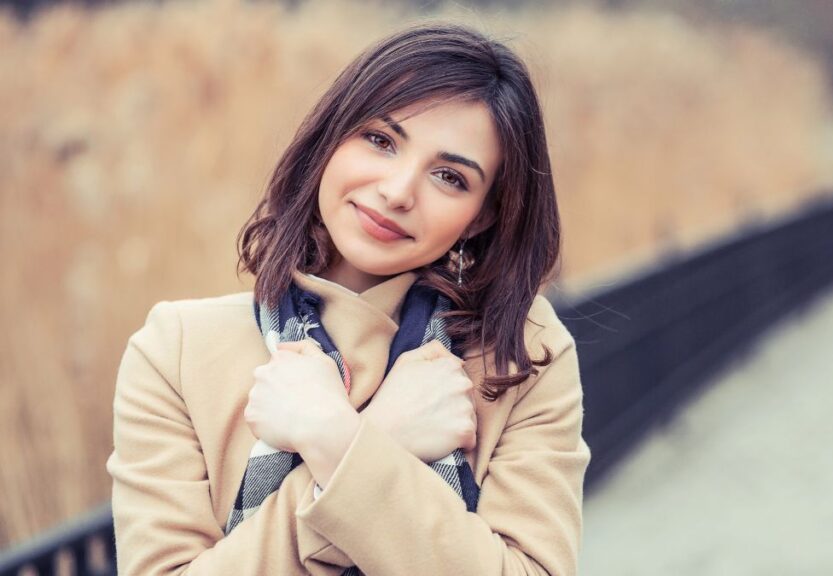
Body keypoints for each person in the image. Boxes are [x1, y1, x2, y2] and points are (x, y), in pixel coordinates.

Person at [106, 20, 591, 576]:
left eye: (449, 177)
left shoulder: (521, 353)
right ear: (332, 137)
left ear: (481, 216)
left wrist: (334, 439)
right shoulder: (178, 350)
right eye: (381, 141)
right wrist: (379, 439)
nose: (397, 190)